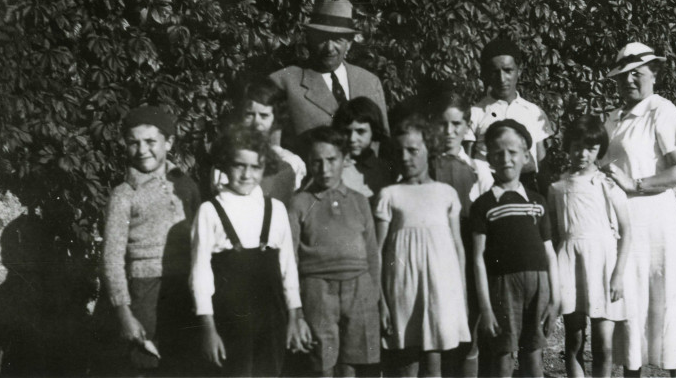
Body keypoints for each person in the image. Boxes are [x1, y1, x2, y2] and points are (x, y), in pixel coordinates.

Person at [599, 42, 676, 377]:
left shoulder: (661, 111)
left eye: (637, 74)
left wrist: (634, 184)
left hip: (656, 222)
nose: (629, 81)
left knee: (665, 299)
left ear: (655, 73)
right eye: (623, 76)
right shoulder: (613, 118)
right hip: (624, 227)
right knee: (631, 305)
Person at [190, 128, 312, 377]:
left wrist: (294, 317)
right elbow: (201, 275)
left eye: (255, 167)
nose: (246, 174)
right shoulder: (210, 211)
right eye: (239, 166)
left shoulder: (275, 209)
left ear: (264, 167)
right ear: (225, 164)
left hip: (271, 319)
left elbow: (288, 268)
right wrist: (209, 329)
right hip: (229, 320)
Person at [100, 105, 201, 376]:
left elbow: (200, 240)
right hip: (145, 292)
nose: (142, 150)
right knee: (145, 362)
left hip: (184, 288)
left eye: (150, 142)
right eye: (133, 143)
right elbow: (111, 259)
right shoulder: (124, 195)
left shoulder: (186, 186)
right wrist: (124, 314)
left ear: (168, 142)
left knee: (182, 363)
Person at [375, 114, 470, 377]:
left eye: (413, 150)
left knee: (435, 363)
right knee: (406, 364)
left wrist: (460, 293)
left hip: (440, 289)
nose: (405, 157)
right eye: (400, 151)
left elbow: (458, 248)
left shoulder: (445, 193)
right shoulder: (390, 194)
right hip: (403, 289)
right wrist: (381, 300)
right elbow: (378, 252)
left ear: (430, 149)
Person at [471, 119, 560, 378]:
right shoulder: (483, 205)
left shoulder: (537, 201)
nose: (506, 158)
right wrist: (486, 308)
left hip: (539, 285)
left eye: (513, 152)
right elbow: (478, 259)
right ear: (490, 159)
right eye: (498, 153)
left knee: (533, 354)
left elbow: (550, 253)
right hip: (502, 287)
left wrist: (555, 298)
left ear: (526, 157)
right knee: (504, 356)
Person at [289, 126, 381, 377]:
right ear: (308, 162)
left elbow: (372, 253)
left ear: (345, 159)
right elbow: (290, 258)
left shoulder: (359, 201)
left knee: (352, 361)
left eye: (332, 160)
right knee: (322, 361)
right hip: (317, 289)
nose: (325, 169)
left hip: (358, 287)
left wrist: (374, 295)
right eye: (316, 162)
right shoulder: (300, 203)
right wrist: (296, 309)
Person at [547, 115, 632, 378]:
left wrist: (618, 274)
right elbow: (554, 234)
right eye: (576, 146)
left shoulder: (607, 184)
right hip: (570, 265)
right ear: (568, 146)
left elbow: (627, 231)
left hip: (603, 266)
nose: (582, 153)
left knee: (603, 346)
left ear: (599, 150)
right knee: (574, 341)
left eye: (590, 148)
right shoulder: (557, 187)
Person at [429, 90, 494, 377]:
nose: (449, 131)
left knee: (468, 328)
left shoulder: (479, 170)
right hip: (435, 254)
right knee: (437, 330)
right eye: (443, 124)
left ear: (467, 126)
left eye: (457, 124)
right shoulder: (424, 167)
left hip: (469, 253)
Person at [269, 0, 388, 137]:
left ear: (349, 43)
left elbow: (383, 142)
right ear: (309, 39)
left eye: (337, 39)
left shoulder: (370, 82)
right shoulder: (284, 82)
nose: (329, 48)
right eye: (322, 38)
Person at [466, 38, 554, 191]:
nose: (501, 79)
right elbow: (466, 164)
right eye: (494, 72)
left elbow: (542, 165)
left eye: (508, 70)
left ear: (518, 71)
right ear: (486, 74)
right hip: (487, 191)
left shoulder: (533, 112)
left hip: (527, 190)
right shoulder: (475, 113)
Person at [212, 79, 304, 204]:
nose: (256, 123)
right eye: (249, 114)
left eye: (264, 115)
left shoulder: (290, 162)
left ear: (275, 119)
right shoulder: (226, 158)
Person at [331, 96, 394, 204]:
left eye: (360, 132)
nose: (352, 139)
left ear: (374, 131)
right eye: (347, 132)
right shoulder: (333, 167)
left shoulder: (385, 171)